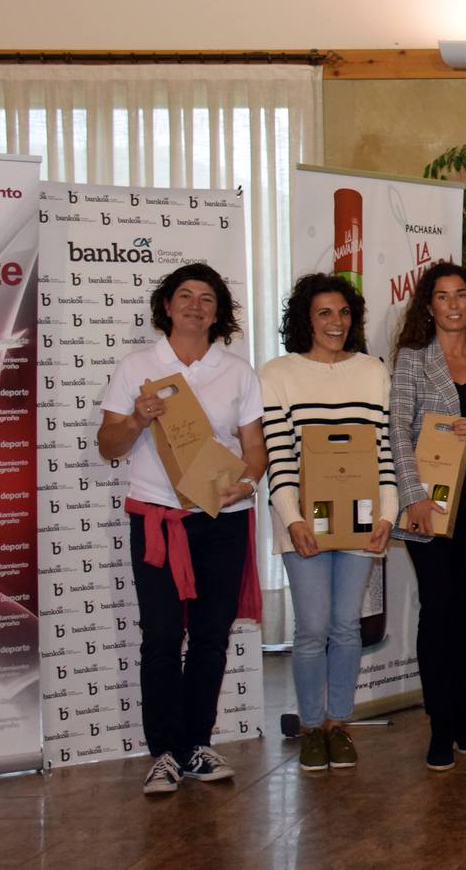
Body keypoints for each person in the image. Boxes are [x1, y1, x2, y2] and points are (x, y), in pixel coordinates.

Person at [97, 264, 268, 796]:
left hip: (222, 521)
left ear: (219, 313)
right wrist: (136, 420)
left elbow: (255, 450)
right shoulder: (137, 367)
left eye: (207, 299)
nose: (196, 306)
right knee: (163, 638)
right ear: (166, 306)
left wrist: (247, 482)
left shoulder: (237, 371)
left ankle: (196, 744)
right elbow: (109, 446)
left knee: (212, 638)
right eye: (186, 297)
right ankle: (164, 753)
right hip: (157, 521)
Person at [260, 272, 398, 773]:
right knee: (312, 628)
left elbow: (383, 451)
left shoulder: (371, 371)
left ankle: (338, 724)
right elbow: (279, 456)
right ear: (305, 318)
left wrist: (387, 514)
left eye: (342, 312)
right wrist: (293, 519)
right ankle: (312, 725)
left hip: (363, 521)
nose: (335, 322)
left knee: (345, 627)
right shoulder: (278, 373)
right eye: (323, 312)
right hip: (303, 526)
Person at [389, 262, 466, 771]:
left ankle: (463, 720)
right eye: (443, 296)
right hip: (431, 506)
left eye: (462, 295)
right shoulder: (411, 359)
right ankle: (440, 727)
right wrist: (411, 496)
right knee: (437, 611)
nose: (454, 304)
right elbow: (398, 431)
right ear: (429, 305)